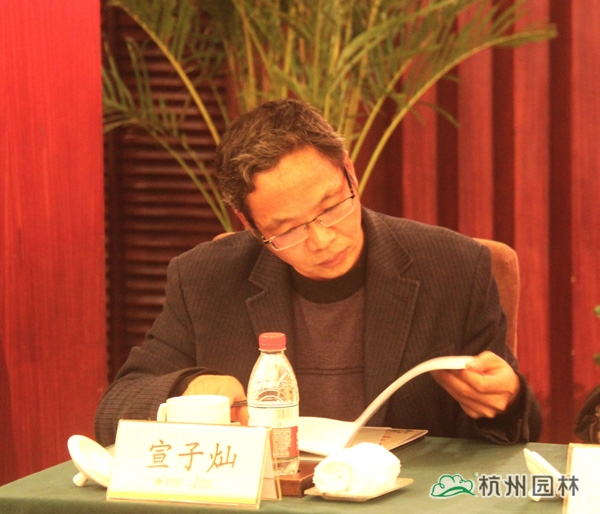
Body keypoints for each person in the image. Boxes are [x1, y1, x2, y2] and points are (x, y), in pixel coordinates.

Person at [94, 98, 542, 446]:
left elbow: (513, 436)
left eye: (330, 207)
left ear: (349, 171)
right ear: (250, 224)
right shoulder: (205, 279)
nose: (322, 240)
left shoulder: (454, 266)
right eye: (287, 229)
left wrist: (507, 401)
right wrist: (189, 388)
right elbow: (114, 413)